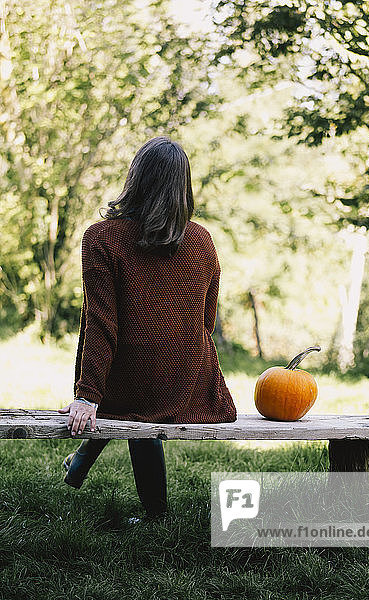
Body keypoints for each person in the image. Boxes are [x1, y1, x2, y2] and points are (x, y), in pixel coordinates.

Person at [58, 136, 238, 522]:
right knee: (138, 392)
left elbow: (102, 324)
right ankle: (79, 466)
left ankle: (155, 513)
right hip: (188, 382)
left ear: (136, 178)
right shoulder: (202, 241)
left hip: (135, 383)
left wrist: (87, 396)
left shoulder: (101, 238)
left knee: (131, 399)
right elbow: (206, 321)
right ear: (182, 187)